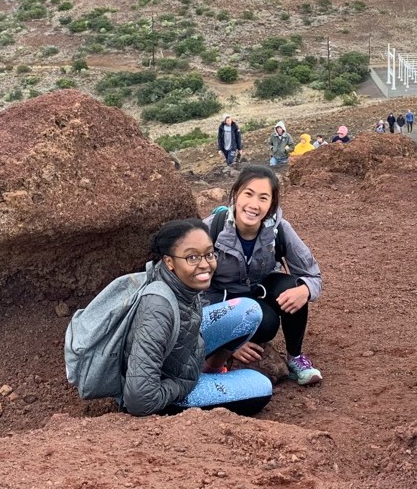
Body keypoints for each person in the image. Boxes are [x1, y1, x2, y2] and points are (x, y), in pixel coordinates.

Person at [121, 219, 273, 416]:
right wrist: (182, 385)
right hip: (161, 391)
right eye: (192, 257)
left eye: (209, 254)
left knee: (249, 310)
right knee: (260, 386)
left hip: (179, 357)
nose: (205, 264)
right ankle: (192, 388)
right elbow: (139, 400)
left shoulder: (181, 285)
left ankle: (210, 369)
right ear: (169, 262)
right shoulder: (157, 308)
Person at [203, 167, 323, 386]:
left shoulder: (279, 230)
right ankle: (223, 350)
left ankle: (295, 357)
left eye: (263, 198)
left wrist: (304, 289)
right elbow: (190, 289)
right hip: (221, 301)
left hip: (259, 293)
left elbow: (311, 273)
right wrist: (228, 341)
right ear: (236, 194)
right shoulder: (211, 229)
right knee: (264, 324)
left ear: (271, 204)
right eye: (248, 194)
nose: (254, 205)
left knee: (290, 289)